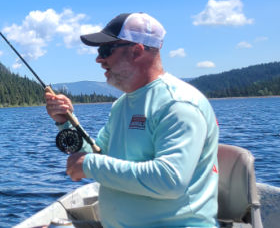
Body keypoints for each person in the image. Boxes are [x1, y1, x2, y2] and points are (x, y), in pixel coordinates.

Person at [45, 12, 219, 227]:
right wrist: (65, 122)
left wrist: (90, 165)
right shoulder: (122, 105)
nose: (98, 59)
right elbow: (100, 157)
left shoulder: (178, 104)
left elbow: (170, 181)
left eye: (106, 50)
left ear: (137, 51)